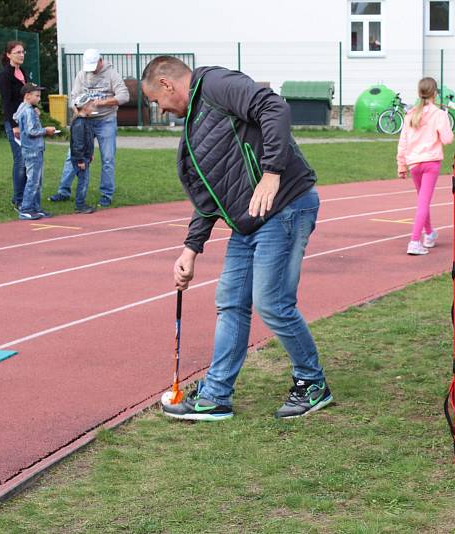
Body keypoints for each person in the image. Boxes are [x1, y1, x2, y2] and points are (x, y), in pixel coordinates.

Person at [140, 55, 332, 421]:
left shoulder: (214, 84)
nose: (160, 109)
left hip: (286, 205)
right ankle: (215, 396)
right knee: (230, 302)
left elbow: (273, 106)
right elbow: (210, 194)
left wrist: (272, 172)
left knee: (272, 303)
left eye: (155, 101)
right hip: (250, 221)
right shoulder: (193, 126)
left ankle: (312, 383)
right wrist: (190, 249)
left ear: (166, 84)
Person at [49, 49, 128, 207]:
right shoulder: (81, 75)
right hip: (85, 121)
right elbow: (74, 99)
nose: (91, 70)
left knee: (107, 158)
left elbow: (124, 96)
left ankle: (106, 194)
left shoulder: (112, 74)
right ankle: (63, 191)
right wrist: (79, 115)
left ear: (101, 61)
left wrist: (102, 102)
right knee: (72, 155)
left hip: (106, 120)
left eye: (94, 66)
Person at [396, 77, 454, 256]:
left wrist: (401, 164)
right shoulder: (439, 114)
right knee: (423, 202)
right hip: (430, 163)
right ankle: (414, 241)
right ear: (435, 93)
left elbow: (403, 142)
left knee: (423, 200)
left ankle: (429, 234)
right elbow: (447, 139)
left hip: (414, 163)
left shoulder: (410, 114)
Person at [14, 83, 57, 220]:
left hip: (30, 149)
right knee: (33, 180)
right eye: (37, 96)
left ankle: (36, 208)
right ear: (27, 96)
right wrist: (46, 130)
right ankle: (26, 208)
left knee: (37, 180)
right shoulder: (28, 111)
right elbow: (32, 131)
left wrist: (35, 114)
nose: (39, 98)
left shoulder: (24, 108)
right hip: (33, 149)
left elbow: (16, 117)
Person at [0, 41, 28, 212]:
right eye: (17, 52)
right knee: (20, 159)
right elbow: (7, 103)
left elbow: (27, 97)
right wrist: (14, 125)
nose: (21, 55)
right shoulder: (5, 75)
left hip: (26, 121)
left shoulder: (22, 72)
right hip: (14, 123)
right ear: (8, 55)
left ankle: (27, 197)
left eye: (23, 52)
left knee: (28, 159)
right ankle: (18, 199)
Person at [70, 94, 98, 214]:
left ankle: (81, 203)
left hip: (85, 157)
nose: (93, 107)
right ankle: (80, 205)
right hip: (80, 159)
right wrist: (80, 160)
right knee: (83, 181)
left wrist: (90, 154)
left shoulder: (86, 121)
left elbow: (89, 139)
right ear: (85, 107)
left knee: (84, 180)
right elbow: (78, 143)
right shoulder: (79, 123)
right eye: (91, 105)